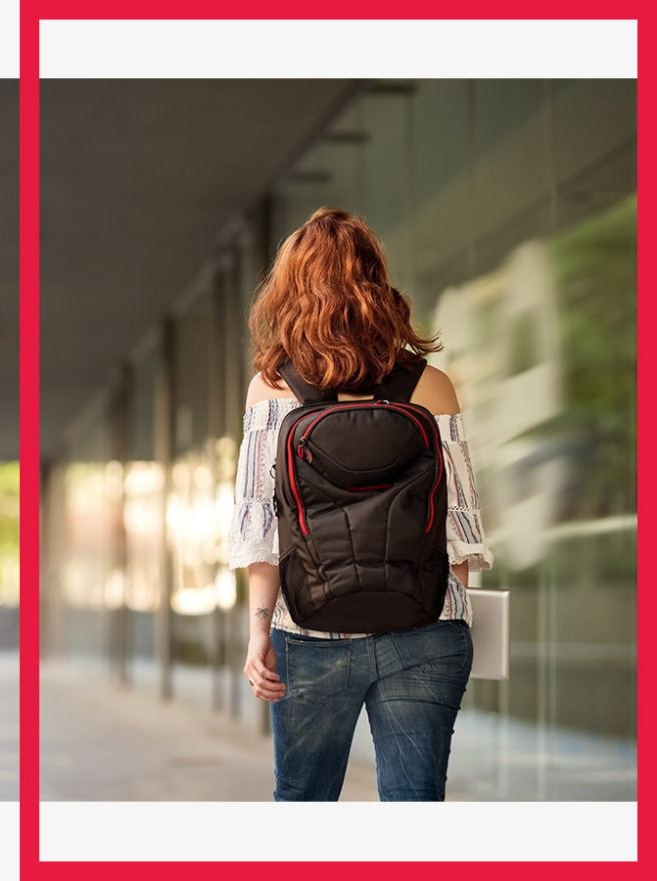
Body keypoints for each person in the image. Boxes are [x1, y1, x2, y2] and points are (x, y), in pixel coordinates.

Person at [227, 207, 493, 801]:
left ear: (292, 289)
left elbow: (259, 527)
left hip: (309, 627)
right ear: (377, 283)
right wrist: (449, 616)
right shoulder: (431, 387)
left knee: (305, 809)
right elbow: (462, 529)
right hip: (425, 630)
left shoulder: (272, 389)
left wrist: (257, 634)